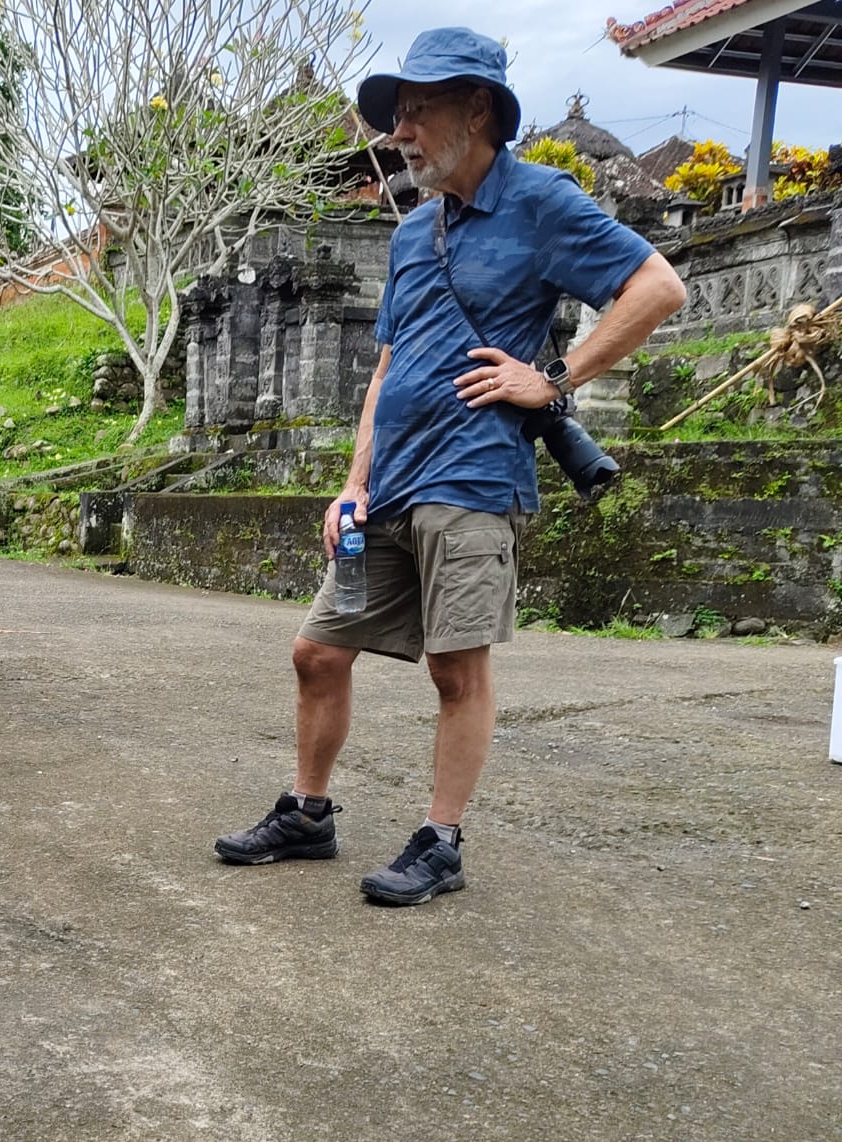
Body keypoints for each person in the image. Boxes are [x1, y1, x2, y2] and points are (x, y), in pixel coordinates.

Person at [214, 28, 686, 904]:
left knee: (454, 670)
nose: (400, 131)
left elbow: (658, 286)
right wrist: (353, 483)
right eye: (396, 115)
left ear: (478, 110)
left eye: (417, 110)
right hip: (389, 484)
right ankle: (308, 814)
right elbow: (386, 370)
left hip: (472, 479)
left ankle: (441, 841)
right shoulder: (412, 234)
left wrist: (549, 380)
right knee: (317, 651)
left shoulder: (542, 201)